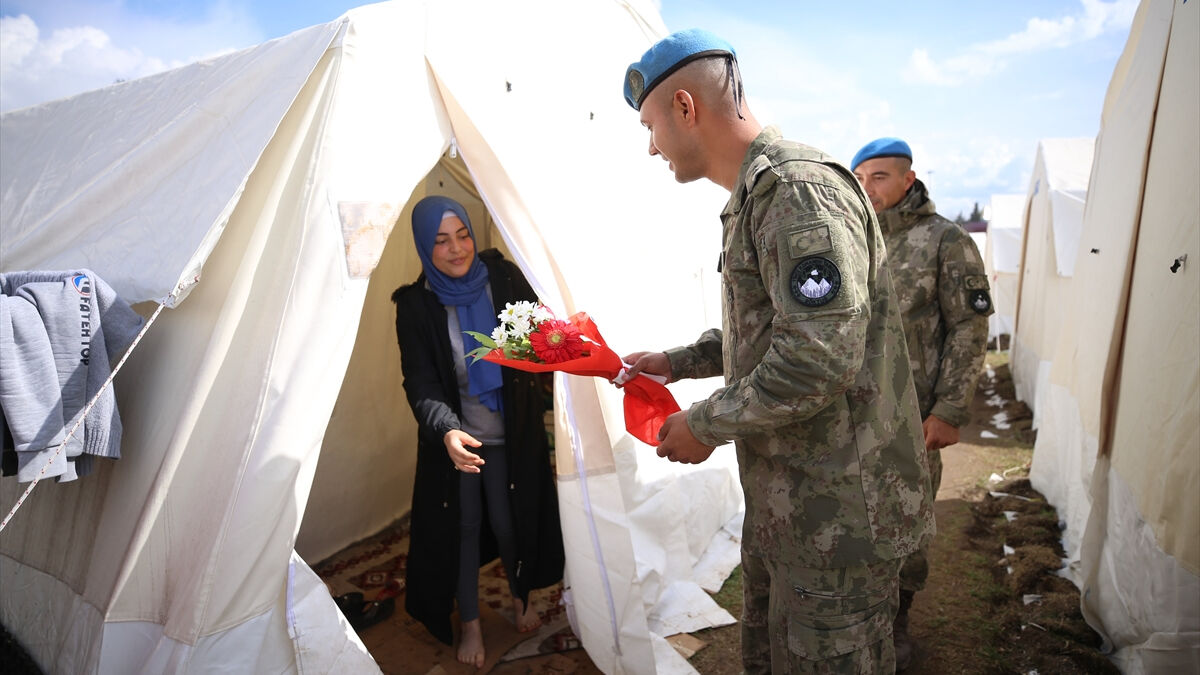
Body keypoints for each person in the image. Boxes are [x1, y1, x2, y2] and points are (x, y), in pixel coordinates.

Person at [620, 30, 934, 673]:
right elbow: (770, 331)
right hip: (792, 507)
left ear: (686, 107)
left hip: (840, 515)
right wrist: (677, 361)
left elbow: (818, 356)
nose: (651, 146)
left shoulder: (797, 192)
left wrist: (703, 424)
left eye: (651, 126)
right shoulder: (759, 197)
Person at [391, 195, 564, 668]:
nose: (456, 249)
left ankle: (520, 593)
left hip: (513, 433)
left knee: (511, 524)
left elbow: (544, 329)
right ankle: (469, 622)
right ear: (425, 247)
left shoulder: (503, 278)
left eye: (463, 234)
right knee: (463, 529)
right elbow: (421, 381)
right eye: (441, 241)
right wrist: (446, 430)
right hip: (460, 441)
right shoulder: (417, 306)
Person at [851, 138, 993, 670]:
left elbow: (968, 327)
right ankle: (861, 618)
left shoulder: (945, 241)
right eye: (860, 177)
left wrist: (951, 409)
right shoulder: (853, 240)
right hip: (855, 414)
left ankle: (898, 618)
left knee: (907, 520)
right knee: (855, 522)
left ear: (908, 180)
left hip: (913, 416)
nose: (867, 187)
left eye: (880, 177)